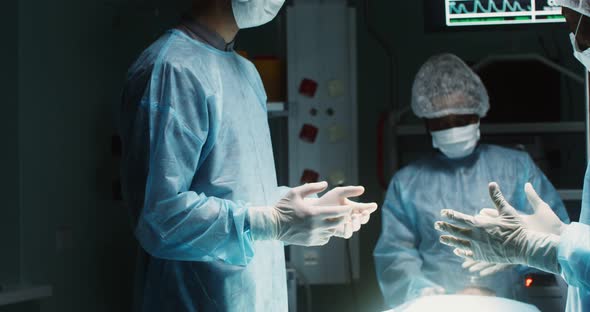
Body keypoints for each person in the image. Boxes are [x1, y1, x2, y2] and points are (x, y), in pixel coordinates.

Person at [118, 0, 378, 311]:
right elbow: (160, 218)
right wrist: (269, 223)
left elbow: (238, 190)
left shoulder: (246, 73)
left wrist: (304, 213)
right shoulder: (171, 70)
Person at [373, 54, 570, 308]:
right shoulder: (407, 183)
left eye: (462, 119)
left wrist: (518, 254)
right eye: (442, 122)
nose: (453, 128)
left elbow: (556, 238)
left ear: (478, 114)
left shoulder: (517, 168)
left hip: (506, 303)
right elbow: (395, 254)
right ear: (426, 122)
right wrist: (422, 293)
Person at [435, 2, 590, 311]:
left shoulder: (516, 166)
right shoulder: (408, 182)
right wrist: (563, 236)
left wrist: (549, 248)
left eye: (573, 22)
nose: (576, 40)